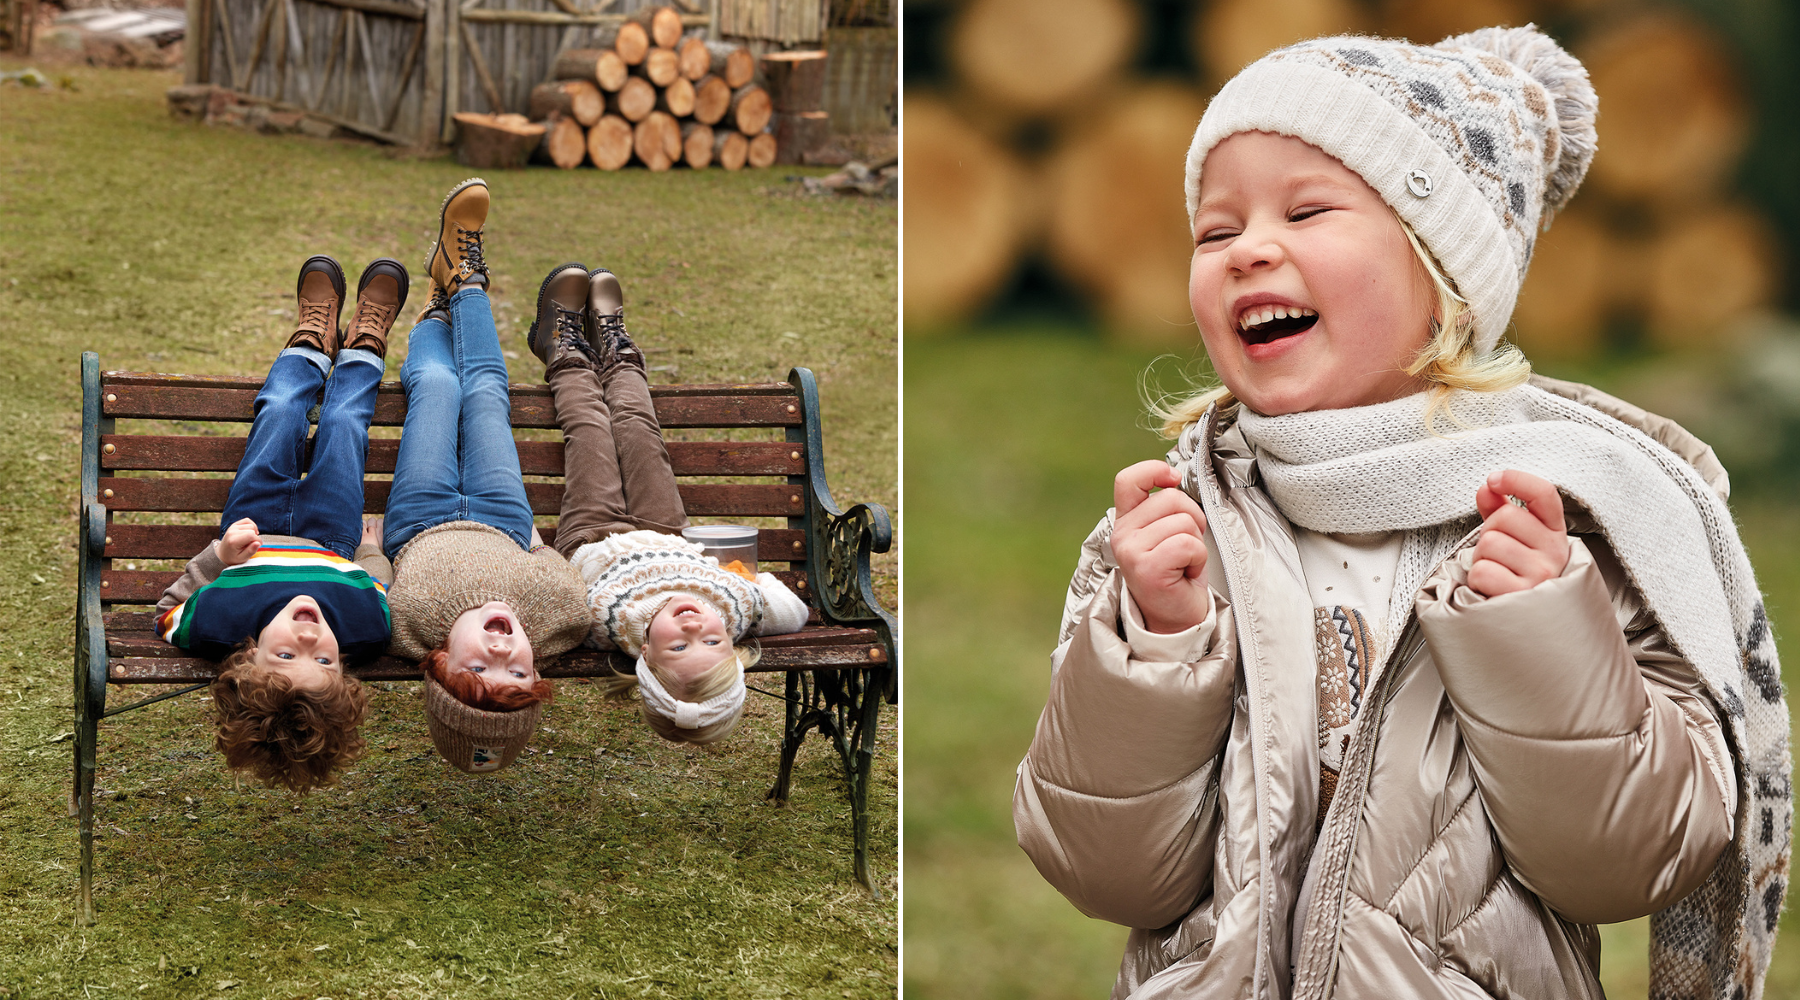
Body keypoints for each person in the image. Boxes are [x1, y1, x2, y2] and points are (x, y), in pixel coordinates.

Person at [1012, 26, 1791, 1000]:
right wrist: (1156, 648)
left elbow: (1624, 865)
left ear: (1443, 282)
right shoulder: (1176, 536)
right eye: (1216, 230)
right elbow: (1105, 867)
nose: (1250, 248)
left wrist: (1542, 636)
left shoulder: (1562, 539)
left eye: (1307, 210)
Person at [524, 261, 809, 744]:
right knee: (637, 428)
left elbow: (554, 607)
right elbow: (793, 611)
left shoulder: (605, 627)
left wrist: (540, 553)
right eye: (714, 641)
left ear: (645, 661)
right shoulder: (738, 610)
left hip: (595, 534)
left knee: (590, 429)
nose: (695, 625)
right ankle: (616, 347)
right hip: (666, 530)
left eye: (679, 645)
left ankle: (562, 348)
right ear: (735, 646)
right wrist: (747, 584)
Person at [155, 253, 406, 793]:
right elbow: (380, 590)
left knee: (280, 412)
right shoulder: (365, 627)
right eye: (326, 660)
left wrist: (220, 558)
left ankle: (311, 341)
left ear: (248, 656)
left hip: (255, 522)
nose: (312, 634)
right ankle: (365, 344)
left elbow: (167, 611)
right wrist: (368, 552)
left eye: (287, 653)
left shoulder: (219, 620)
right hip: (332, 534)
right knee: (344, 424)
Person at [380, 179, 591, 774]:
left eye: (478, 669)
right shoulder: (557, 621)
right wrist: (541, 548)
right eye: (518, 670)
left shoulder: (407, 627)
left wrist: (372, 552)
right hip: (503, 519)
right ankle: (462, 281)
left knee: (441, 389)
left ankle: (447, 297)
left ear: (439, 663)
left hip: (422, 519)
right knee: (488, 393)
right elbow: (569, 586)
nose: (502, 649)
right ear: (537, 667)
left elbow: (370, 587)